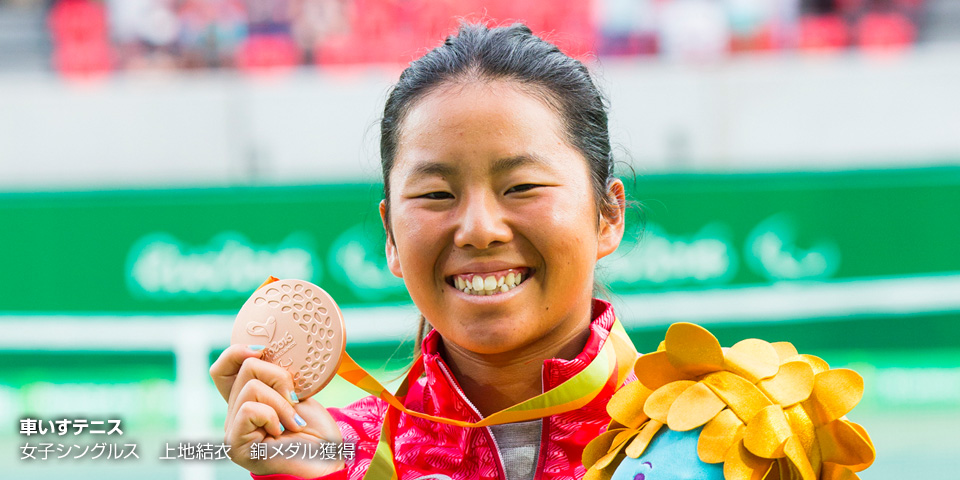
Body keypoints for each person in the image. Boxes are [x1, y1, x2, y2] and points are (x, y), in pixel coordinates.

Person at [210, 22, 631, 480]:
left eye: (522, 187)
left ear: (607, 216)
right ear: (390, 234)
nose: (479, 230)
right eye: (436, 194)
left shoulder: (698, 433)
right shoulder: (335, 454)